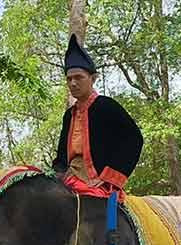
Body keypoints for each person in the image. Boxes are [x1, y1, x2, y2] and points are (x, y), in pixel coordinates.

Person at [52, 35, 144, 198]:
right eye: (69, 79)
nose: (73, 83)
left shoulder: (106, 106)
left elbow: (134, 139)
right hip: (70, 178)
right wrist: (57, 174)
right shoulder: (69, 115)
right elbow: (61, 156)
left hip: (102, 182)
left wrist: (110, 177)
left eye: (78, 77)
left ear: (92, 79)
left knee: (104, 213)